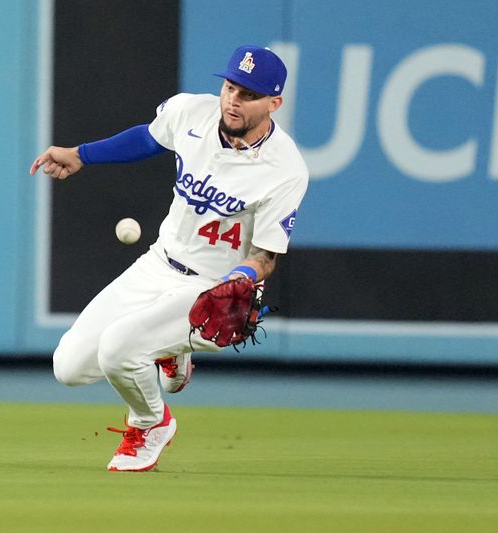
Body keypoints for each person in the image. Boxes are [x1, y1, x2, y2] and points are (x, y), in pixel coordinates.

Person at [29, 45, 308, 472]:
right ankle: (170, 352)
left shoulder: (285, 168)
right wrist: (81, 154)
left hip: (212, 287)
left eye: (248, 94)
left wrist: (238, 280)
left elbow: (265, 256)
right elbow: (147, 137)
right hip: (159, 263)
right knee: (68, 366)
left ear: (274, 103)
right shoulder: (189, 113)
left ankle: (151, 423)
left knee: (119, 348)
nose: (233, 99)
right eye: (230, 86)